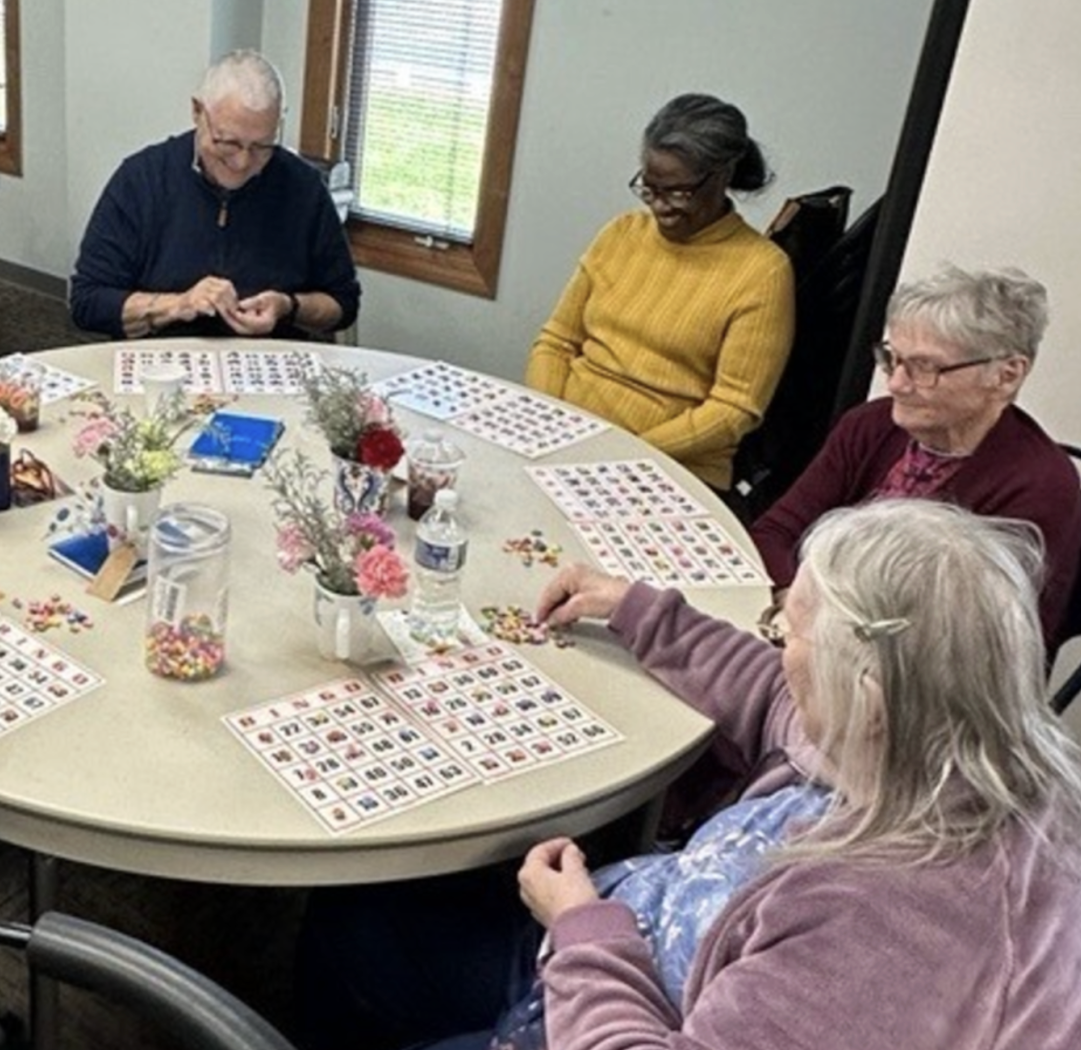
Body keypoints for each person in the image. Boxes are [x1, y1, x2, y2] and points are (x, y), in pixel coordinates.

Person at [297, 499, 1081, 1049]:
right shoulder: (934, 738)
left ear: (863, 689)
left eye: (791, 630)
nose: (778, 647)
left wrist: (580, 930)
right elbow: (778, 699)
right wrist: (640, 609)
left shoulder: (888, 930)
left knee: (347, 942)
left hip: (599, 991)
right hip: (621, 943)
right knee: (356, 922)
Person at [751, 265, 1080, 648]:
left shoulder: (1040, 489)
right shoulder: (870, 425)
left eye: (925, 368)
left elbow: (970, 649)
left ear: (1006, 375)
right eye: (893, 359)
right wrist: (797, 605)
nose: (896, 384)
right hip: (808, 639)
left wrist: (815, 623)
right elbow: (773, 532)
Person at [526, 93, 794, 490]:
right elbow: (556, 342)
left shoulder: (762, 272)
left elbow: (734, 410)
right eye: (650, 189)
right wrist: (549, 421)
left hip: (667, 468)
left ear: (721, 177)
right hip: (566, 444)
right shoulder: (620, 233)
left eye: (678, 192)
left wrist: (620, 451)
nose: (661, 207)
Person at [68, 49, 360, 341]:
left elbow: (343, 303)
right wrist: (177, 305)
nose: (243, 163)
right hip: (162, 367)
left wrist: (289, 306)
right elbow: (87, 302)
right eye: (228, 142)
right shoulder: (141, 179)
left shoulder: (303, 187)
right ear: (197, 112)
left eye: (262, 146)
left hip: (267, 364)